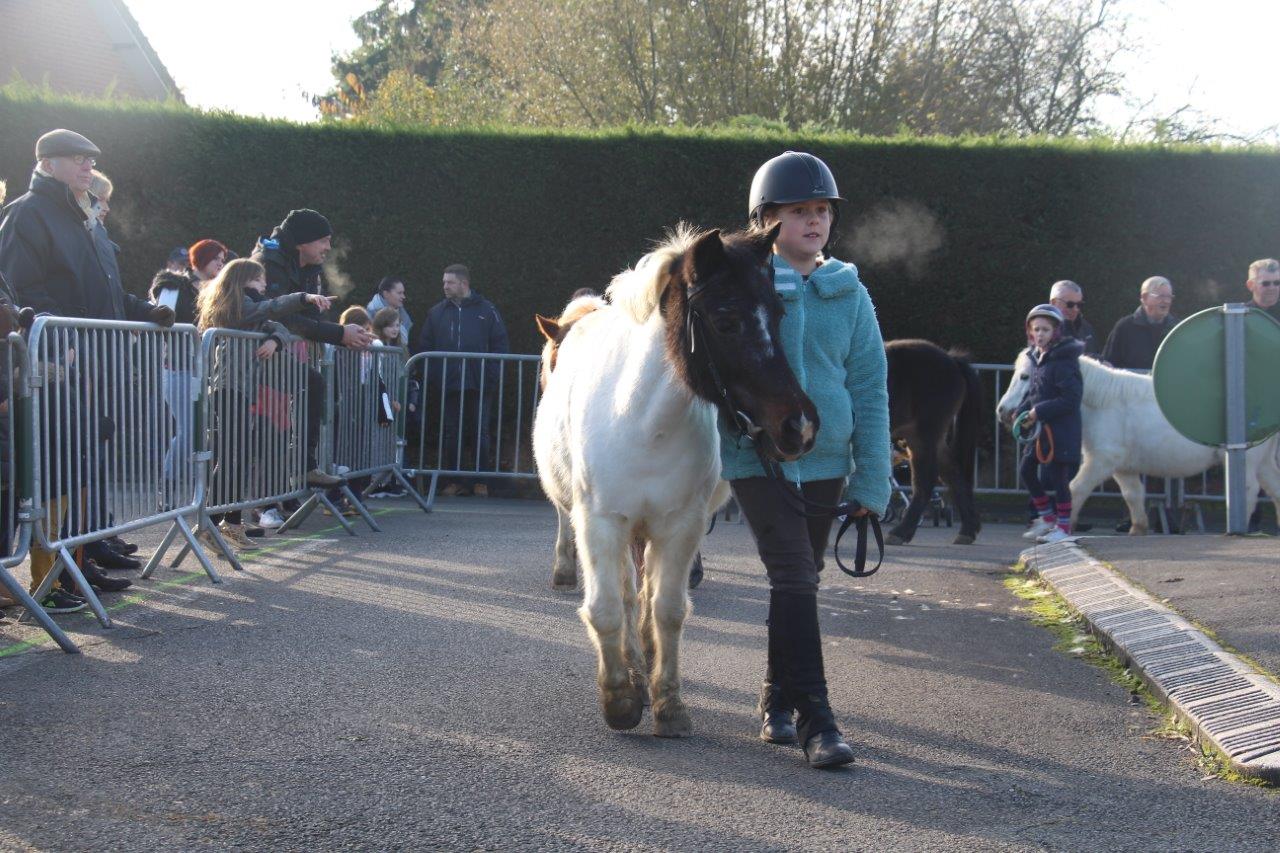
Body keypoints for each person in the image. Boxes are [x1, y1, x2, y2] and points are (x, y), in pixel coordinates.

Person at [724, 151, 890, 769]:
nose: (814, 220)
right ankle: (819, 718)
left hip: (828, 459)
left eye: (822, 210)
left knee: (797, 579)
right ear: (765, 219)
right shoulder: (741, 284)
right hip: (755, 457)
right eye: (799, 211)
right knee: (794, 574)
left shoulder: (849, 292)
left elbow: (870, 384)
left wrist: (873, 477)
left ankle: (775, 700)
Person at [0, 129, 175, 611]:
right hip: (52, 366)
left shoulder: (81, 219)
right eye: (77, 159)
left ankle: (73, 565)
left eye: (90, 159)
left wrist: (145, 310)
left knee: (80, 464)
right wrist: (64, 341)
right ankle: (48, 578)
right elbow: (22, 290)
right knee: (55, 469)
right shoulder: (28, 213)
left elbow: (102, 292)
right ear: (48, 164)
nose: (87, 166)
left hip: (89, 364)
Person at [197, 258, 332, 549]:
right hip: (227, 388)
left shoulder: (252, 310)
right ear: (243, 281)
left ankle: (229, 522)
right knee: (235, 455)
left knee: (240, 455)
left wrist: (276, 341)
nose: (264, 286)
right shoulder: (237, 306)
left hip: (242, 388)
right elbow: (270, 308)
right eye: (259, 280)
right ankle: (214, 521)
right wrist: (304, 297)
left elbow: (278, 325)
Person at [250, 209, 372, 488]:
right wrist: (339, 334)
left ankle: (302, 470)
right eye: (324, 240)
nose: (328, 248)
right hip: (255, 352)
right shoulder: (268, 262)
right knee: (267, 426)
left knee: (314, 388)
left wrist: (342, 335)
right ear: (302, 241)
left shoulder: (308, 265)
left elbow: (312, 317)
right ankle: (260, 503)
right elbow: (280, 315)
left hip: (279, 348)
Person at [412, 264, 510, 497]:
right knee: (450, 432)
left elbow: (500, 345)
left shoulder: (487, 310)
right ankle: (452, 481)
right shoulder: (436, 312)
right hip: (450, 383)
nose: (444, 286)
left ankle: (480, 482)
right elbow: (426, 346)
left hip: (480, 382)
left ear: (463, 284)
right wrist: (436, 376)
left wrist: (491, 375)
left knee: (480, 432)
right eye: (444, 282)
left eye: (449, 282)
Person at [1017, 304, 1084, 545]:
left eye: (1046, 329)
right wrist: (1023, 411)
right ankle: (1047, 518)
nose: (1041, 334)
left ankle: (1063, 527)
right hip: (1040, 431)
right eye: (1037, 329)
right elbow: (1035, 392)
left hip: (1060, 432)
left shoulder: (1064, 361)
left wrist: (1038, 411)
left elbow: (1071, 399)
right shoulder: (1038, 359)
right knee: (1026, 470)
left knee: (1059, 479)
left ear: (1056, 331)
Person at [1101, 276, 1177, 370]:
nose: (1166, 301)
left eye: (1169, 297)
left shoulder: (1177, 329)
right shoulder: (1125, 328)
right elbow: (1108, 366)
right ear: (1145, 297)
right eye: (1161, 296)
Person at [1048, 280, 1098, 356]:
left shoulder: (1087, 329)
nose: (1075, 309)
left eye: (1079, 305)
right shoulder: (1042, 329)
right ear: (1053, 303)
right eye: (1070, 304)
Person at [366, 276, 412, 346]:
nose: (403, 296)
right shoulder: (370, 314)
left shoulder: (404, 316)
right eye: (399, 293)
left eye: (403, 293)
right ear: (386, 294)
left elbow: (404, 344)